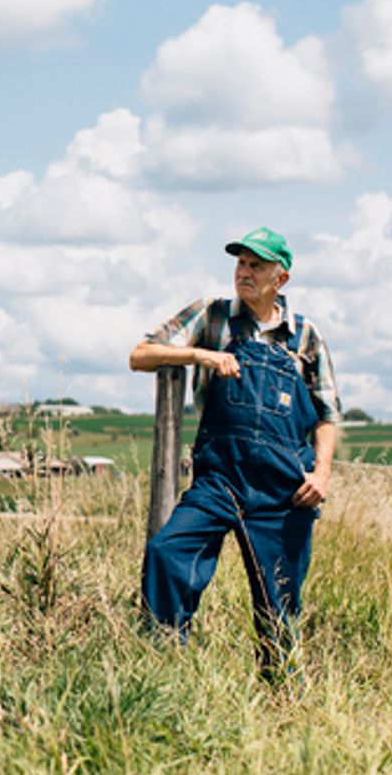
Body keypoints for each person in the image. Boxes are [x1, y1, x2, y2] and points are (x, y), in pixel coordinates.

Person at [129, 226, 341, 674]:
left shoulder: (304, 335)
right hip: (221, 477)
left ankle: (283, 694)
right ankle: (161, 667)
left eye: (256, 266)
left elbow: (327, 414)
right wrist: (200, 356)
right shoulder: (213, 316)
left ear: (280, 278)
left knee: (279, 601)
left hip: (285, 489)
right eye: (240, 263)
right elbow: (141, 354)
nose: (244, 272)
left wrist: (321, 473)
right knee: (168, 551)